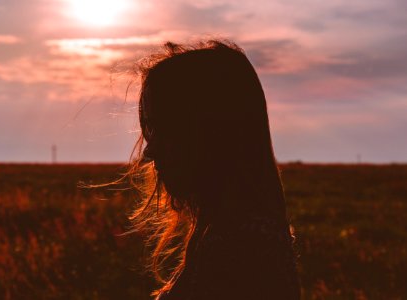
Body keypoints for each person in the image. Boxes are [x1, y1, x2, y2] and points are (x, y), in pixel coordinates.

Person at [127, 40, 300, 299]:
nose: (150, 151)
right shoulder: (235, 235)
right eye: (150, 129)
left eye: (167, 128)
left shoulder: (242, 249)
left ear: (213, 132)